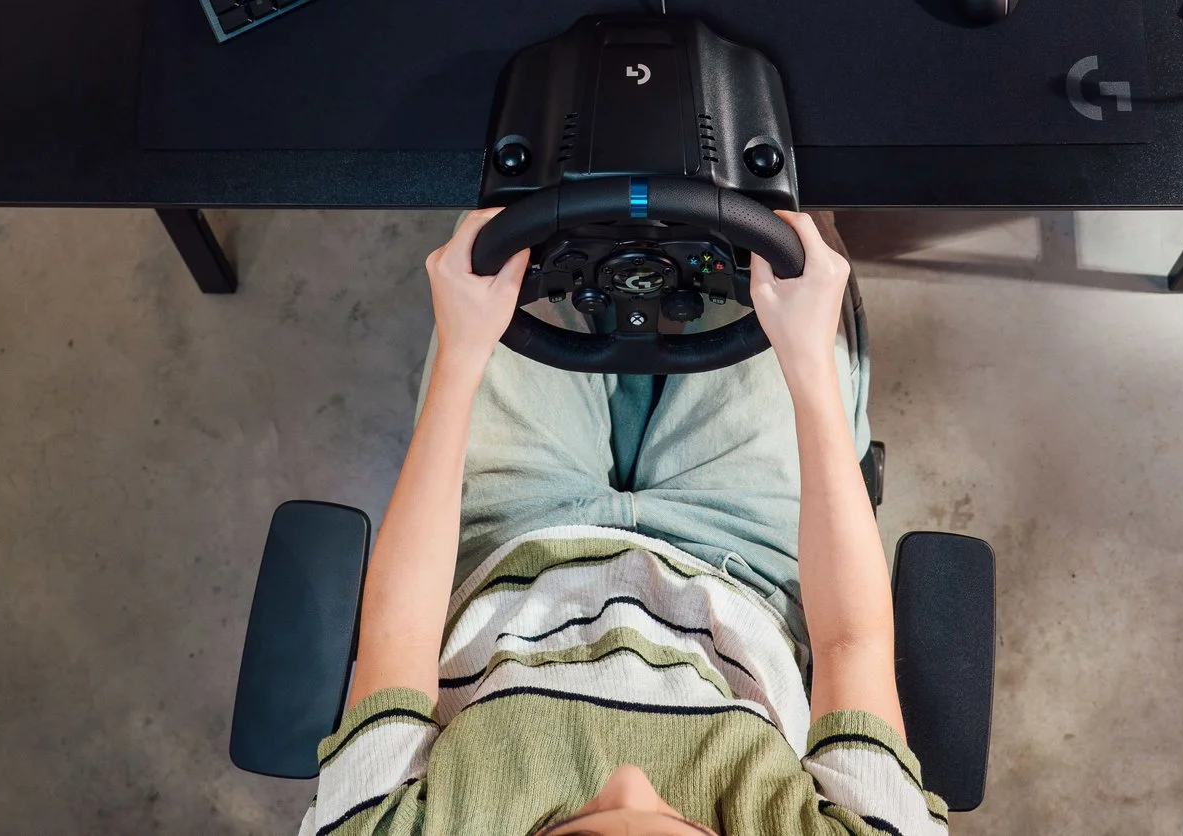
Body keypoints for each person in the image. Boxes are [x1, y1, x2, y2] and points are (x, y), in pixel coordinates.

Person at [297, 207, 942, 835]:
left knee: (508, 230)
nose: (630, 778)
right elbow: (851, 644)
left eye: (575, 821)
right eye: (679, 818)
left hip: (510, 544)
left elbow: (398, 638)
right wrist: (810, 367)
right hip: (746, 568)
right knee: (782, 234)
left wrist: (462, 354)